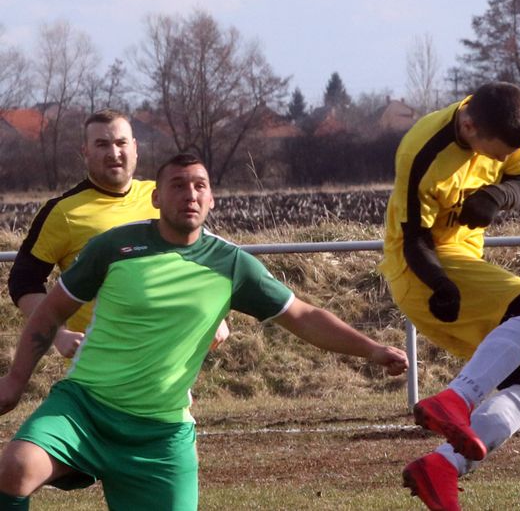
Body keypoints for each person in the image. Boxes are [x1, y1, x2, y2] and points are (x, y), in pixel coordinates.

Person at [0, 153, 408, 510]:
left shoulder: (230, 264)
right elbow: (48, 314)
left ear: (212, 199)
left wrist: (371, 349)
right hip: (84, 409)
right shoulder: (114, 247)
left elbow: (302, 315)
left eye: (199, 186)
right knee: (15, 467)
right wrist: (16, 382)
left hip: (160, 434)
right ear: (156, 197)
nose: (189, 194)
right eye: (177, 186)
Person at [382, 82, 520, 511]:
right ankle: (455, 400)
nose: (496, 161)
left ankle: (443, 466)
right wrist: (443, 287)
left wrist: (496, 195)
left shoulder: (507, 132)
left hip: (465, 263)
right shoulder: (421, 152)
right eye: (491, 155)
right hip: (422, 270)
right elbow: (414, 241)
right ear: (467, 126)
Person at [8, 110, 228, 357]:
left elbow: (197, 255)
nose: (114, 153)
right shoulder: (63, 212)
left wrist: (214, 311)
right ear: (86, 152)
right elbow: (23, 281)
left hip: (167, 365)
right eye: (102, 144)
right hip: (101, 369)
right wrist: (56, 333)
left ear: (134, 147)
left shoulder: (160, 195)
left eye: (121, 143)